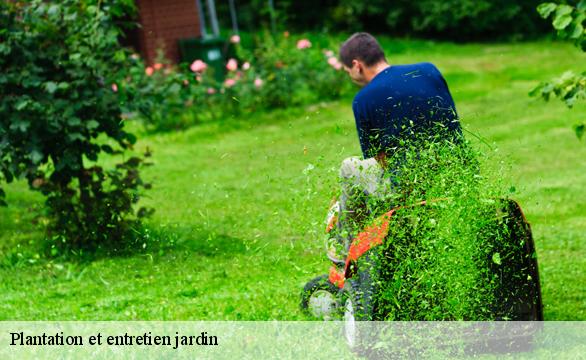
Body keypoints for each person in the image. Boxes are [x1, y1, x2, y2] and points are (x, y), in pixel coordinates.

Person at [330, 32, 463, 255]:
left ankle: (348, 249)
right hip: (458, 173)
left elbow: (381, 161)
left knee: (350, 166)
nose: (350, 77)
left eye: (347, 72)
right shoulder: (429, 70)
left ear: (356, 65)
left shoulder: (363, 99)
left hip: (413, 188)